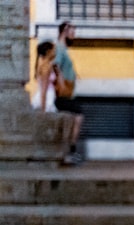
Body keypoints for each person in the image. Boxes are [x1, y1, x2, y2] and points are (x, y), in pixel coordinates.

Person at [53, 21, 83, 165]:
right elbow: (56, 65)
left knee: (71, 120)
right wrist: (62, 82)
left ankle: (68, 152)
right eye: (72, 31)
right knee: (77, 117)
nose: (74, 34)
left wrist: (73, 74)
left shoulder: (63, 48)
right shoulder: (59, 47)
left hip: (69, 92)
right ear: (65, 30)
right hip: (64, 93)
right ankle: (69, 152)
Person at [31, 42, 57, 113]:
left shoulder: (48, 65)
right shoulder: (46, 67)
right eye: (54, 50)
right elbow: (44, 89)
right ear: (48, 52)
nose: (55, 52)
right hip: (46, 99)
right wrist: (43, 109)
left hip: (49, 97)